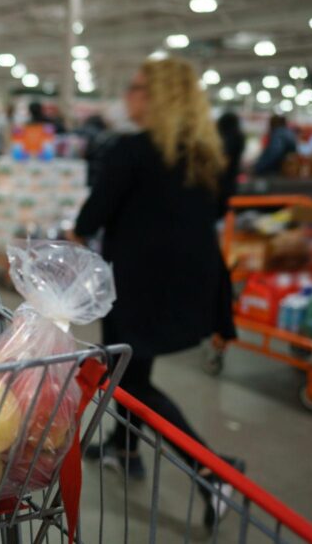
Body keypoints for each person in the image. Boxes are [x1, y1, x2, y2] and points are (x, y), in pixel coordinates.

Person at [71, 57, 240, 528]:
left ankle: (212, 469)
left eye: (139, 87)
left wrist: (68, 244)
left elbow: (91, 218)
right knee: (136, 365)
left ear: (160, 98)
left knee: (126, 377)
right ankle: (124, 448)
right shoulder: (206, 155)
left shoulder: (132, 150)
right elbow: (213, 210)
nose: (130, 94)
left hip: (141, 283)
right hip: (193, 280)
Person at [216, 112, 245, 200]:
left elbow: (224, 161)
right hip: (232, 180)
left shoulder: (225, 139)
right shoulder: (240, 137)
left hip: (220, 182)